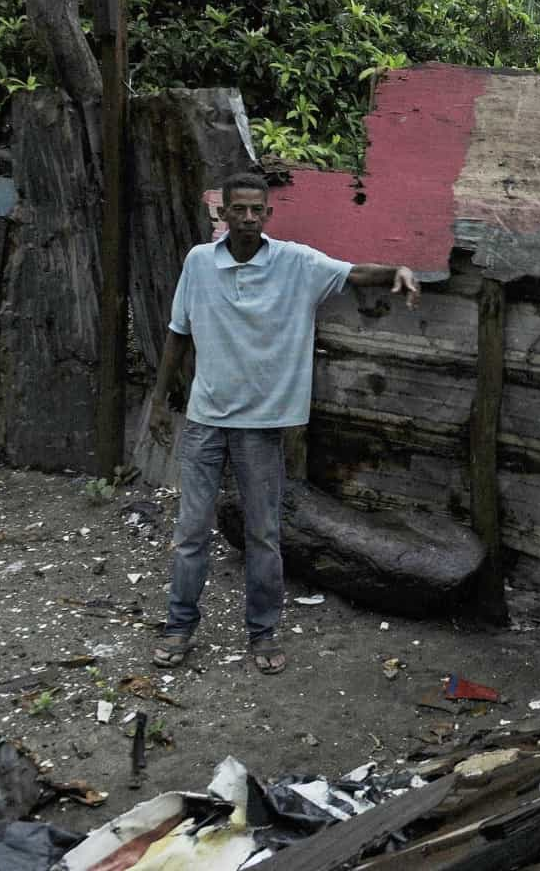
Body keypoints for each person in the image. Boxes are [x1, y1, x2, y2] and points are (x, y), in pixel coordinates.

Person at [149, 172, 418, 675]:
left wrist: (397, 269)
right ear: (224, 214)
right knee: (191, 532)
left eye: (258, 210)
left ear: (268, 214)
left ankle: (263, 631)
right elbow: (177, 334)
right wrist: (160, 400)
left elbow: (355, 273)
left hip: (261, 425)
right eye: (240, 209)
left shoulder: (296, 262)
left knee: (264, 533)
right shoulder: (199, 264)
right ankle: (179, 625)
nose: (249, 218)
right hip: (206, 419)